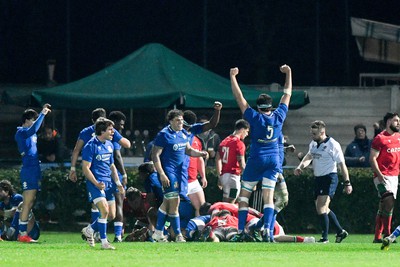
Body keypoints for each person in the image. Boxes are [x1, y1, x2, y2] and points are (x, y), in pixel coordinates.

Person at [229, 64, 292, 242]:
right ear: (271, 106)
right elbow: (287, 94)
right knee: (268, 198)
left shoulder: (254, 117)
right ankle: (268, 231)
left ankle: (241, 232)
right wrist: (288, 73)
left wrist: (233, 77)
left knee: (244, 197)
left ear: (258, 107)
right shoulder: (279, 115)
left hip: (257, 159)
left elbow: (239, 97)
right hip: (273, 160)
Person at [151, 109, 209, 242]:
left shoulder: (183, 133)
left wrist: (200, 153)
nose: (180, 123)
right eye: (177, 120)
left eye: (182, 120)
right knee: (174, 202)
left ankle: (158, 232)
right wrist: (161, 174)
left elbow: (188, 150)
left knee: (167, 202)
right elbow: (155, 155)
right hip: (169, 172)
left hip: (179, 174)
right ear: (170, 121)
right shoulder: (164, 134)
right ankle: (178, 235)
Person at [69, 108, 130, 231]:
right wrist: (123, 174)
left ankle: (92, 230)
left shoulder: (93, 133)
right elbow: (126, 145)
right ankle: (102, 237)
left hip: (107, 174)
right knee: (104, 206)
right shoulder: (100, 138)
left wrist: (72, 168)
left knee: (104, 209)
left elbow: (76, 150)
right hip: (96, 175)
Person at [294, 120, 353, 243]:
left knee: (321, 208)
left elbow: (342, 165)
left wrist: (347, 183)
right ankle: (340, 232)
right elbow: (309, 156)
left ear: (322, 132)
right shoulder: (313, 144)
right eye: (311, 133)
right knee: (323, 208)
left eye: (314, 134)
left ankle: (324, 238)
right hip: (318, 179)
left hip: (329, 178)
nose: (312, 136)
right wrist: (300, 166)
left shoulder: (333, 145)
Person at [80, 118, 125, 250]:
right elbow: (85, 168)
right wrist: (96, 183)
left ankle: (89, 230)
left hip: (108, 184)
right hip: (95, 184)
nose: (113, 132)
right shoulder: (90, 146)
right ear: (102, 130)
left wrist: (118, 183)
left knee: (111, 215)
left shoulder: (109, 144)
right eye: (111, 129)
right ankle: (104, 242)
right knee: (104, 210)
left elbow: (111, 166)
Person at [14, 104, 51, 243]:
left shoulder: (31, 133)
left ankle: (23, 232)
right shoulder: (21, 132)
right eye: (34, 120)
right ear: (27, 120)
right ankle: (22, 233)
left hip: (34, 169)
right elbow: (34, 128)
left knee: (30, 201)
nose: (37, 123)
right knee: (27, 202)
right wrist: (43, 113)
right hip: (28, 170)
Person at [365, 113, 400, 248]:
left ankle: (377, 236)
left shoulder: (398, 137)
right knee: (388, 201)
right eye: (396, 121)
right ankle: (388, 234)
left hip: (394, 176)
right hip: (382, 176)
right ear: (388, 122)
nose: (398, 123)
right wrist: (379, 174)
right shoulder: (380, 138)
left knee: (384, 206)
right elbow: (372, 158)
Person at [216, 119, 249, 203]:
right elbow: (242, 163)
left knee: (227, 201)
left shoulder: (224, 141)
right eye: (246, 131)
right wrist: (249, 179)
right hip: (233, 177)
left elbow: (217, 159)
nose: (247, 134)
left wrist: (219, 176)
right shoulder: (239, 143)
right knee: (230, 203)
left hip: (224, 176)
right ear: (242, 130)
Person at [108, 111, 128, 242]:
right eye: (120, 124)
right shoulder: (113, 136)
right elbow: (117, 156)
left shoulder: (101, 134)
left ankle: (97, 233)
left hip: (102, 173)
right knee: (119, 204)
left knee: (101, 205)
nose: (122, 127)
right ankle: (118, 235)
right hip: (114, 174)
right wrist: (124, 173)